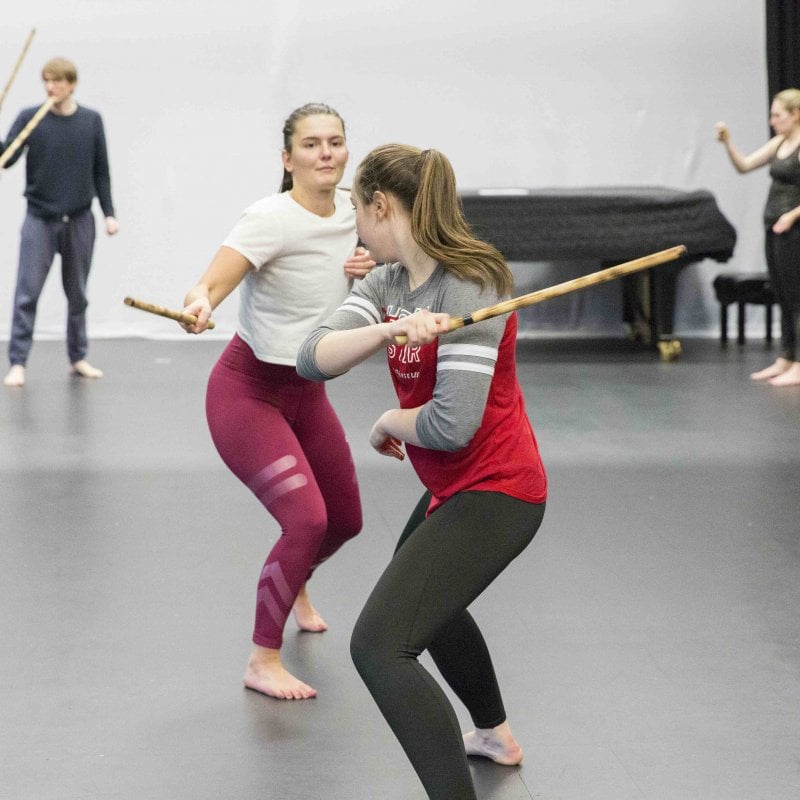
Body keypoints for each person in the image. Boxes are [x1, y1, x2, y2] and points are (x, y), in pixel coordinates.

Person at [297, 144, 548, 799]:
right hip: (451, 487)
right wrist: (389, 332)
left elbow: (448, 425)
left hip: (499, 492)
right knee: (426, 608)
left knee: (380, 647)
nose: (356, 224)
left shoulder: (473, 281)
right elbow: (312, 358)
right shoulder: (387, 283)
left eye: (358, 209)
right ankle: (494, 734)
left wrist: (386, 420)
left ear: (381, 205)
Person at [181, 103, 375, 700]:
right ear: (287, 159)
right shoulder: (268, 218)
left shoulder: (358, 214)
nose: (326, 153)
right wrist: (200, 302)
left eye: (335, 142)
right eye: (311, 144)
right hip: (248, 392)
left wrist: (374, 265)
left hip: (307, 391)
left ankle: (294, 581)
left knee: (345, 521)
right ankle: (262, 659)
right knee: (307, 520)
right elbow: (212, 281)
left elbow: (392, 272)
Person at [1, 57, 118, 388]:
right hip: (39, 218)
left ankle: (78, 357)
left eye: (57, 81)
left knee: (77, 293)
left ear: (72, 84)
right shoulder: (31, 118)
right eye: (47, 81)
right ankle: (18, 363)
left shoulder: (91, 121)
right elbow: (6, 159)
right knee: (27, 292)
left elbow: (101, 171)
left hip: (80, 219)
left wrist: (109, 213)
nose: (51, 87)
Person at [715, 88, 800, 387]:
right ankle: (786, 357)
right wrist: (728, 143)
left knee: (797, 295)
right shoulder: (780, 142)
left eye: (778, 115)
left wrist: (792, 216)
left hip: (794, 229)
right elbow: (745, 166)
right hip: (773, 226)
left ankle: (799, 363)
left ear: (796, 114)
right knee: (782, 293)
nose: (772, 120)